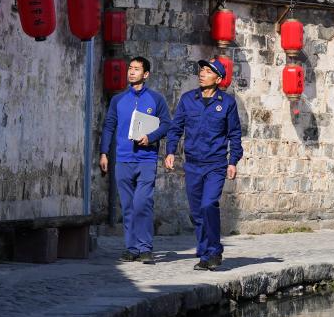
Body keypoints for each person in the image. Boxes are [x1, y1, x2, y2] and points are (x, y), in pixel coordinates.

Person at [165, 58, 243, 271]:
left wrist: (233, 161)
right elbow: (176, 128)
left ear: (218, 78)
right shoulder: (188, 99)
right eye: (201, 70)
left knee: (209, 204)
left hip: (216, 164)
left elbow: (235, 134)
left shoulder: (227, 103)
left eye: (208, 71)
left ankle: (213, 251)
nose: (202, 74)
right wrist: (170, 151)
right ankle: (205, 249)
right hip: (193, 164)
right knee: (197, 211)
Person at [99, 57, 171, 264]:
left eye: (136, 69)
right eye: (130, 68)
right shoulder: (118, 100)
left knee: (143, 203)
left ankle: (145, 247)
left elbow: (167, 124)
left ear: (145, 74)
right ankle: (132, 248)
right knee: (128, 205)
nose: (131, 72)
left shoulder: (156, 99)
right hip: (122, 159)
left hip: (146, 159)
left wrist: (151, 138)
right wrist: (104, 152)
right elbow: (108, 126)